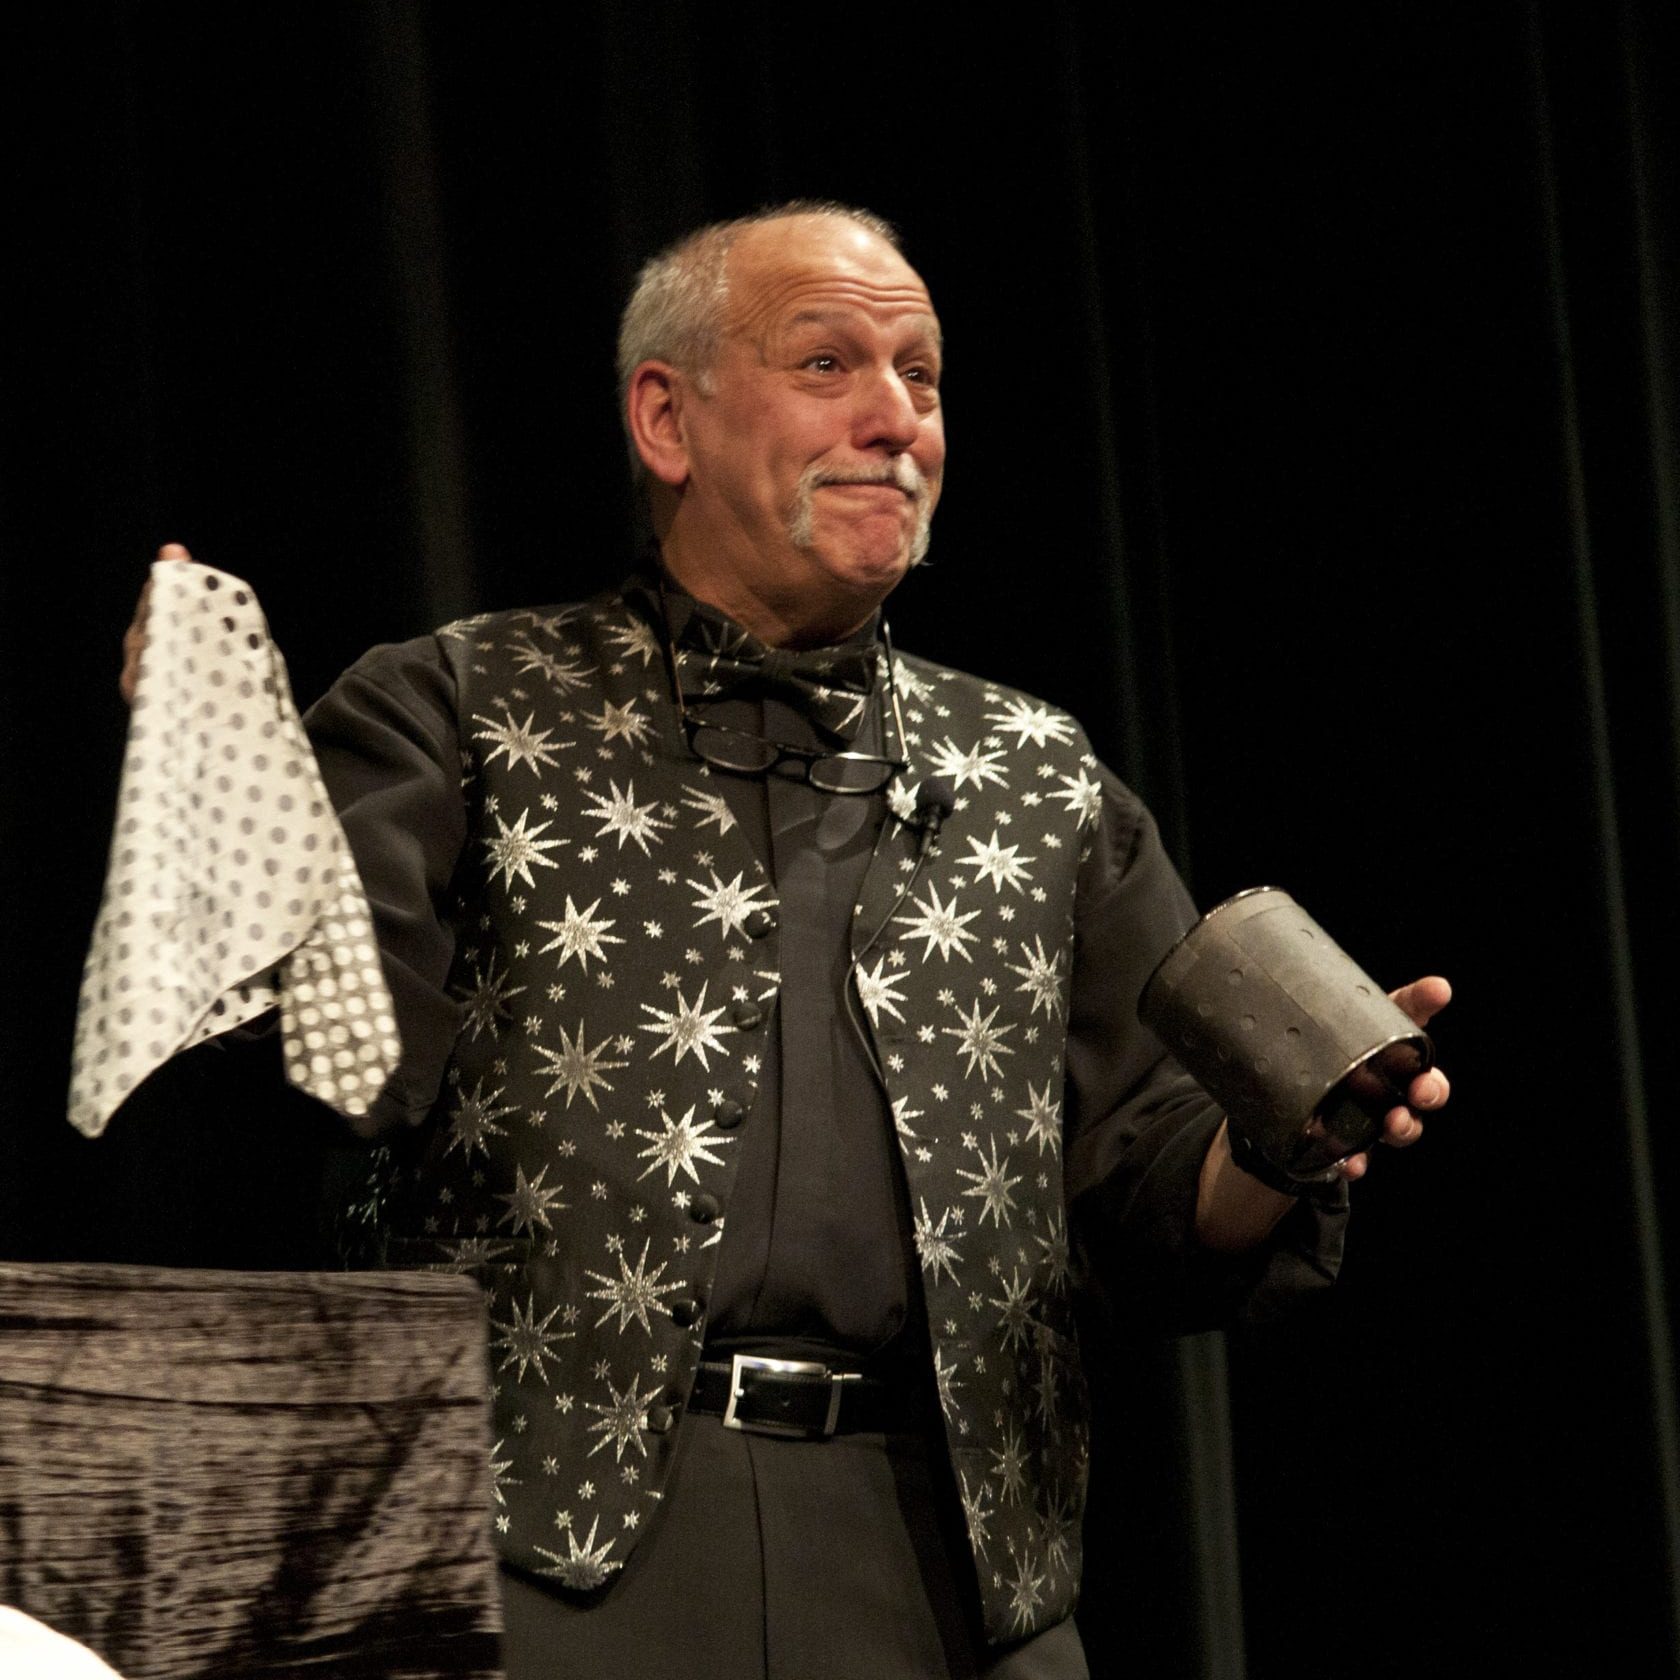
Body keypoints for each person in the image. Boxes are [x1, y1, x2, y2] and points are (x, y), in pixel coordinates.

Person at [117, 202, 1450, 1678]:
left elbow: (1146, 1198)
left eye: (924, 377)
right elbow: (327, 1054)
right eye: (829, 363)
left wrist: (1280, 1145)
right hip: (537, 1553)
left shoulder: (1038, 775)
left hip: (948, 1572)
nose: (896, 419)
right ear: (666, 420)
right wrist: (215, 789)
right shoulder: (463, 706)